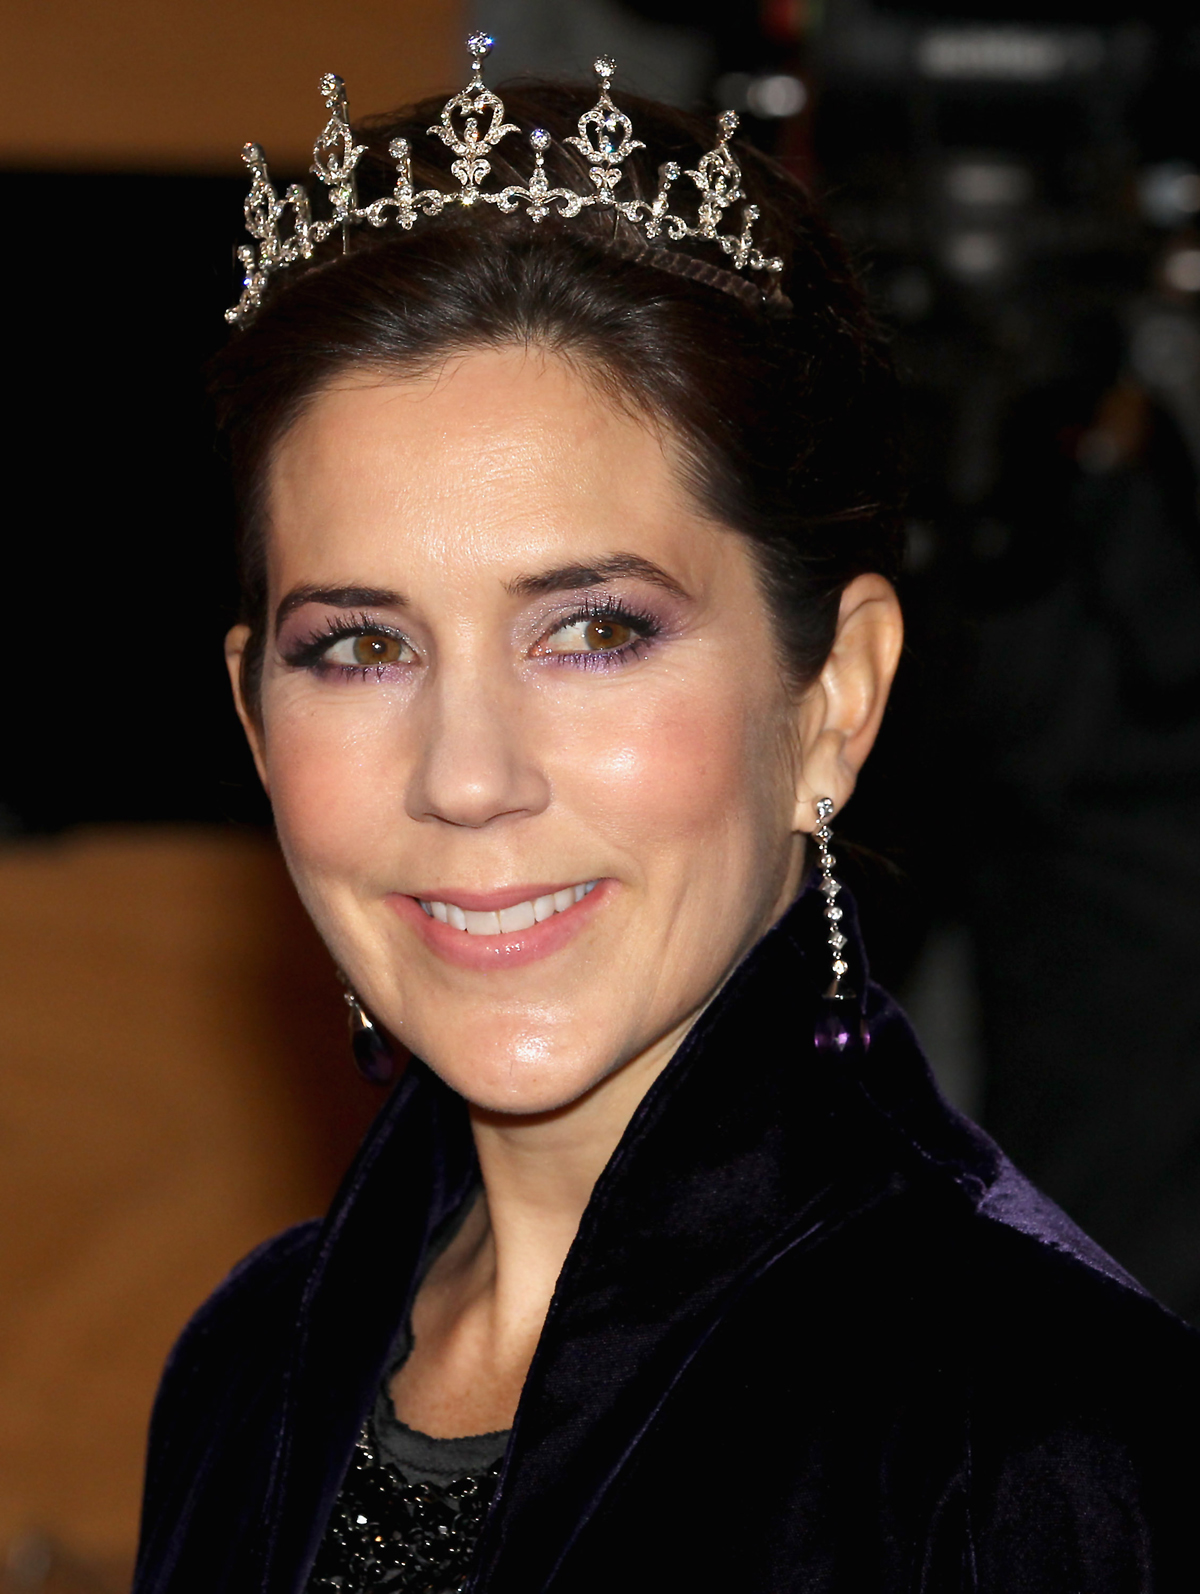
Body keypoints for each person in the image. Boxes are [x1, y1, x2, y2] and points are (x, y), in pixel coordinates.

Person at [133, 38, 1200, 1594]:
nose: (467, 775)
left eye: (592, 632)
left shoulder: (1036, 1440)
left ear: (833, 695)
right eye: (360, 648)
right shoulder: (245, 1370)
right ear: (251, 714)